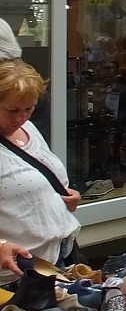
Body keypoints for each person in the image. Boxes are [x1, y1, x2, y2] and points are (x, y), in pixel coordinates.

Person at [0, 58, 83, 283]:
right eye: (12, 110)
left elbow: (34, 179)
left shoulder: (28, 128)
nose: (21, 117)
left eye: (29, 108)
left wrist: (65, 196)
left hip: (62, 257)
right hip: (19, 274)